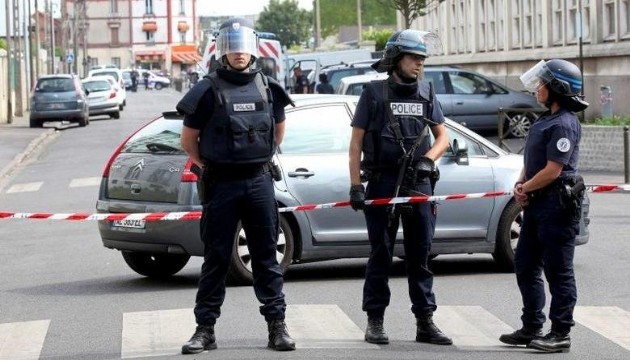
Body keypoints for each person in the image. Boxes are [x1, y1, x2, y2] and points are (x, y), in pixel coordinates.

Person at [176, 17, 295, 354]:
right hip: (222, 184)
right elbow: (188, 141)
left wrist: (264, 155)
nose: (239, 53)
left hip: (258, 181)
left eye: (243, 47)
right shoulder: (206, 89)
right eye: (232, 47)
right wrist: (209, 166)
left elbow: (279, 129)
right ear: (222, 51)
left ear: (251, 49)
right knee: (215, 259)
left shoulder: (268, 87)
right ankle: (205, 330)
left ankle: (277, 328)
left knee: (266, 259)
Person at [348, 29, 451, 346]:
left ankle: (425, 322)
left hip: (418, 184)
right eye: (414, 58)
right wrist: (355, 186)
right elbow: (355, 145)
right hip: (382, 182)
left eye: (422, 59)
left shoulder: (426, 93)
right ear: (395, 58)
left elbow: (443, 138)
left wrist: (429, 160)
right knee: (380, 255)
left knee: (420, 257)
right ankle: (375, 321)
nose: (419, 64)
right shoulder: (374, 93)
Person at [499, 59, 588, 353]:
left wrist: (526, 187)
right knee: (525, 265)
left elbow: (553, 170)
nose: (538, 88)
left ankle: (560, 332)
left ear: (558, 89)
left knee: (559, 272)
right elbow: (532, 162)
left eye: (543, 83)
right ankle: (531, 326)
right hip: (537, 206)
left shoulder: (564, 123)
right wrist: (521, 185)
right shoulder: (543, 120)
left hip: (557, 207)